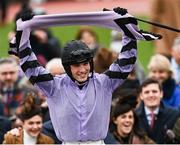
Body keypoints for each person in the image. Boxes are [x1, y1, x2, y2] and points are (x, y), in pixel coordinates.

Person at [9, 7, 161, 144]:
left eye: (85, 63)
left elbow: (127, 60)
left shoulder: (104, 82)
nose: (82, 69)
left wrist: (126, 26)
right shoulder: (53, 86)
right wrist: (25, 28)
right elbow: (29, 64)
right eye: (76, 65)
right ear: (68, 68)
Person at [135, 78, 180, 144]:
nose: (151, 95)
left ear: (161, 94)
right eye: (147, 92)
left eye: (154, 91)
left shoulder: (175, 115)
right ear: (141, 96)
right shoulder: (133, 116)